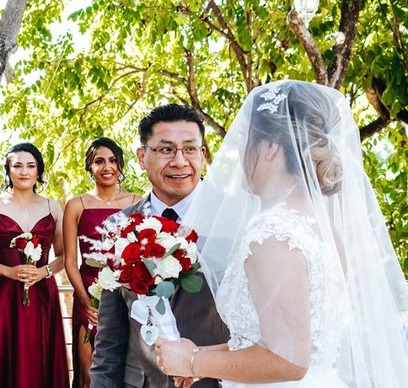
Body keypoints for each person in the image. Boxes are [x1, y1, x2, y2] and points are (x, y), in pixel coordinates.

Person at [155, 80, 408, 387]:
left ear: (270, 148)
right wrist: (201, 356)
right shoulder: (321, 229)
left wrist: (193, 361)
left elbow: (288, 359)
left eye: (246, 141)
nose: (238, 154)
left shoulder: (273, 235)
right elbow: (281, 338)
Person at [90, 104, 229, 388]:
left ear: (203, 155)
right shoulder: (118, 226)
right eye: (166, 150)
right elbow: (110, 336)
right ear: (142, 157)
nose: (179, 161)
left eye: (190, 149)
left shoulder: (234, 219)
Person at [0, 142, 69, 388]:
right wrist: (8, 272)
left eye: (30, 166)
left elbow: (65, 256)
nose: (24, 171)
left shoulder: (52, 206)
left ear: (38, 171)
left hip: (41, 296)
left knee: (39, 358)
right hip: (0, 297)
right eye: (17, 166)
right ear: (8, 170)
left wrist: (44, 272)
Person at [63, 137, 141, 388]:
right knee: (89, 373)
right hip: (88, 292)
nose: (107, 167)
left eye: (113, 161)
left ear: (120, 166)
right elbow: (70, 261)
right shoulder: (76, 205)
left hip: (127, 290)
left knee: (129, 366)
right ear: (89, 167)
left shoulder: (136, 202)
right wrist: (86, 302)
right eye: (99, 161)